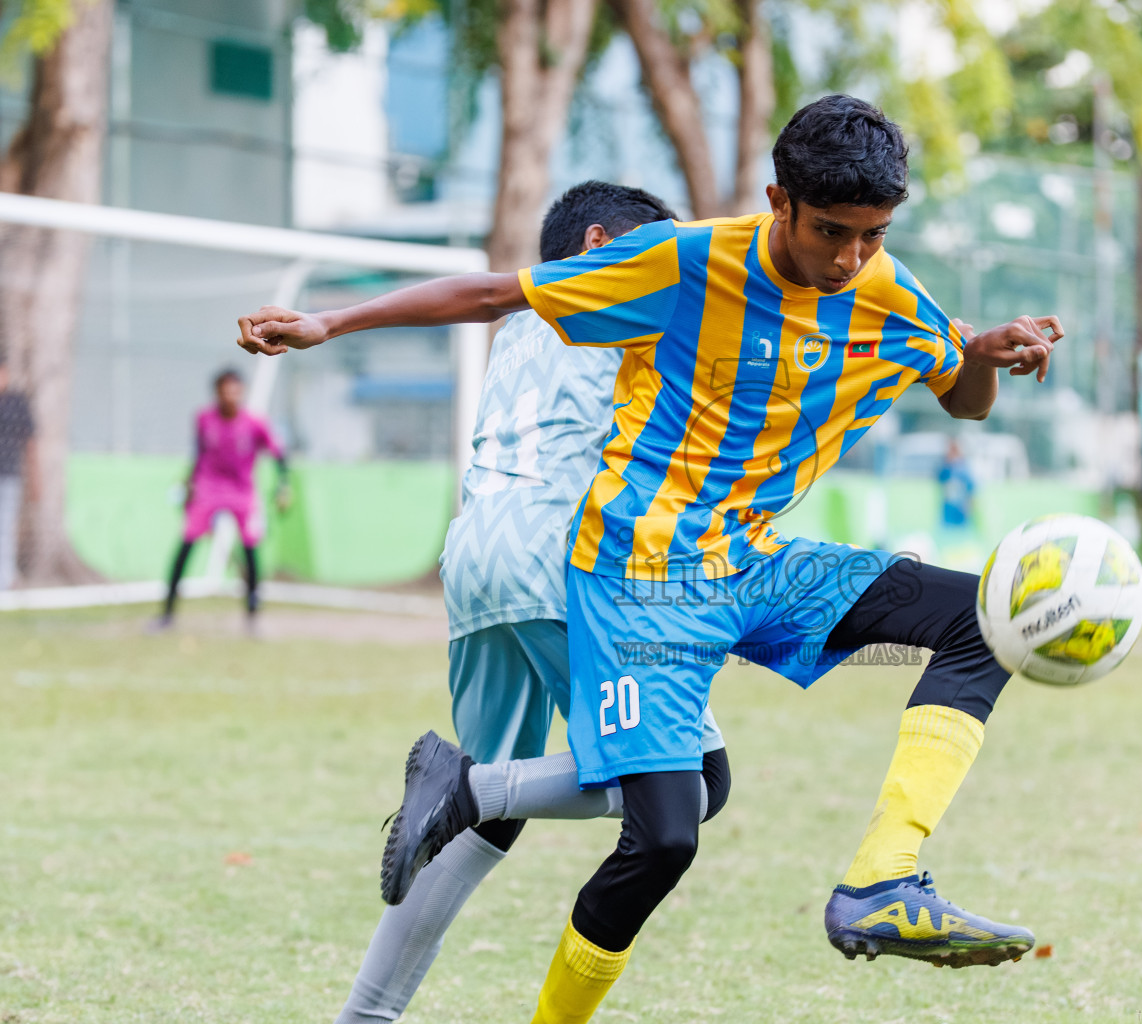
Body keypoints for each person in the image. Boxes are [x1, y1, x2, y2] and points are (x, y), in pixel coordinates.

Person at [238, 95, 1062, 1021]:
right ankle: (465, 798)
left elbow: (963, 394)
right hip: (635, 571)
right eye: (832, 231)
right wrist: (331, 324)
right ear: (776, 200)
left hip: (710, 561)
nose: (848, 258)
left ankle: (882, 882)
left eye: (872, 236)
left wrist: (983, 354)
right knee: (669, 827)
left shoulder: (887, 292)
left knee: (984, 615)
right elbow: (494, 291)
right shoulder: (678, 264)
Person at [332, 181, 732, 1024]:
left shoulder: (518, 326)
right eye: (652, 256)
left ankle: (363, 1017)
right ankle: (466, 785)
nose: (667, 276)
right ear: (598, 246)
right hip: (563, 556)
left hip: (475, 555)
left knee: (476, 827)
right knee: (697, 779)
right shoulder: (625, 314)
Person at [150, 368, 288, 631]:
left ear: (242, 392)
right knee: (186, 546)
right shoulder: (204, 419)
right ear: (217, 393)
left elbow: (279, 454)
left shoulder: (255, 423)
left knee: (250, 549)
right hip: (207, 488)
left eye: (235, 390)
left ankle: (252, 617)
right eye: (225, 391)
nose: (230, 396)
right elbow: (198, 453)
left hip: (242, 491)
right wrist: (189, 483)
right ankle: (167, 614)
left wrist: (283, 485)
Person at [0, 356, 36, 591]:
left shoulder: (16, 402)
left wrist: (36, 479)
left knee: (5, 527)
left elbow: (31, 442)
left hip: (9, 474)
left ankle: (6, 577)